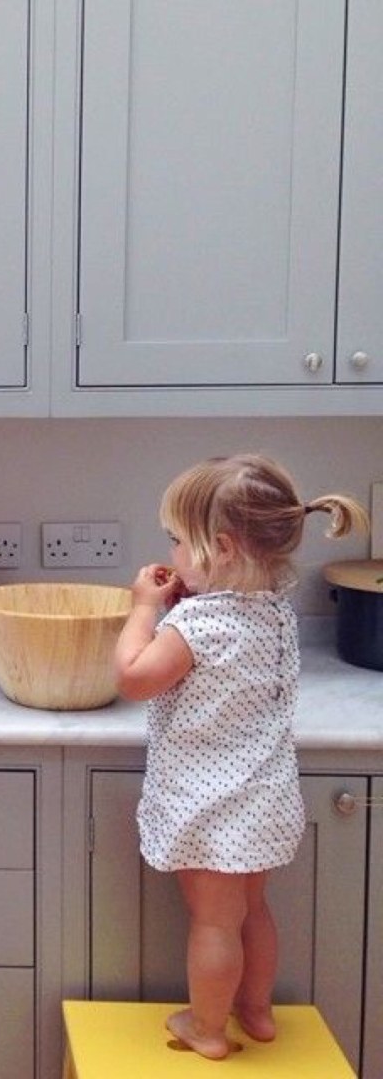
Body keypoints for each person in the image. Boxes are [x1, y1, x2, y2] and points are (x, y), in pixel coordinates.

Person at [114, 453, 367, 1061]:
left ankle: (206, 1028)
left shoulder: (198, 625)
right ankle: (256, 1011)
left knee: (213, 923)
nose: (171, 552)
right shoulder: (275, 613)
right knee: (254, 910)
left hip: (210, 806)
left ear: (220, 547)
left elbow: (132, 678)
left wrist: (144, 611)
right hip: (265, 797)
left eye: (178, 540)